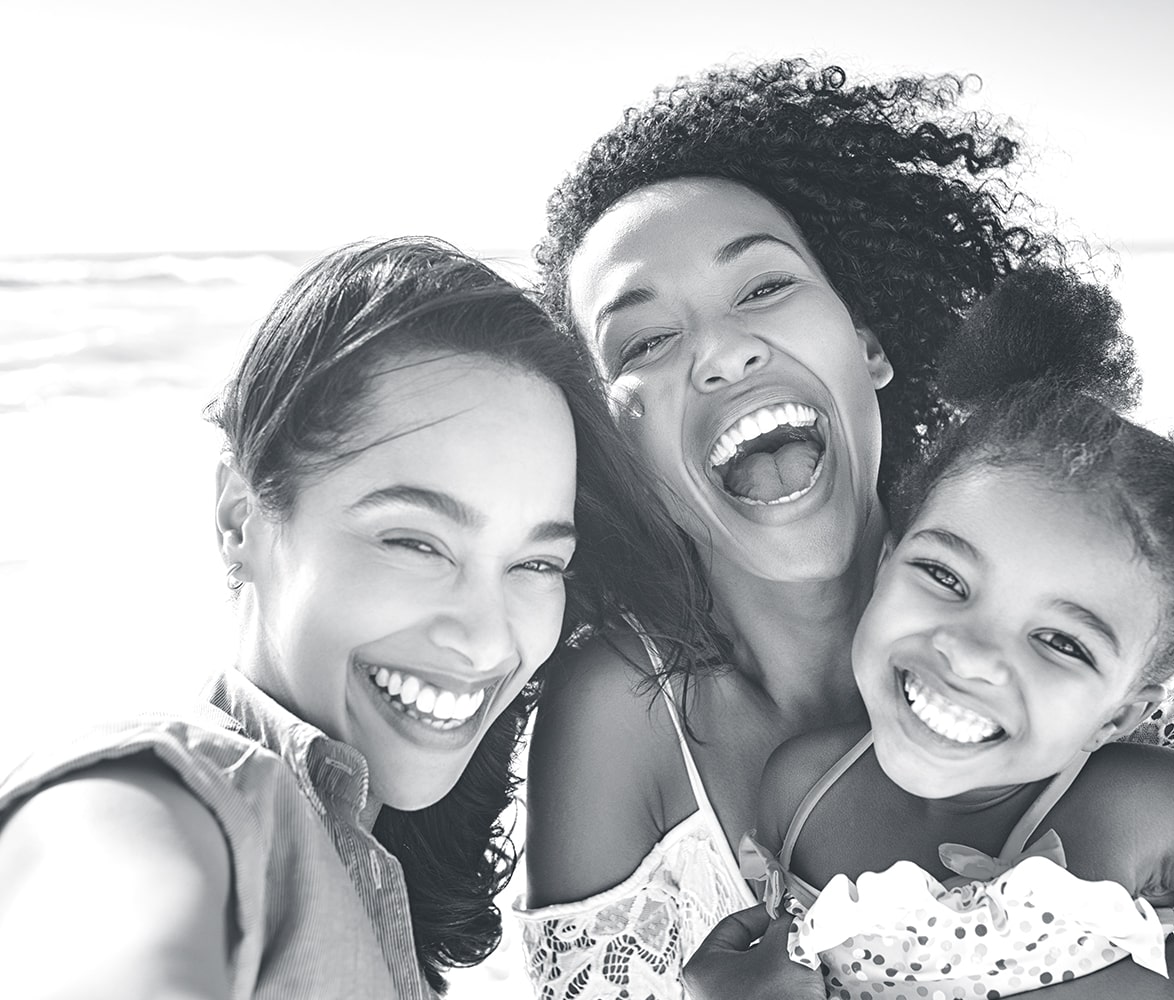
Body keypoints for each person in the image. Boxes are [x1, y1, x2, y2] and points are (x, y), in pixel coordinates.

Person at [516, 59, 1174, 997]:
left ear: (870, 347)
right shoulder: (621, 713)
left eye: (762, 288)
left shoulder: (1090, 616)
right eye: (644, 342)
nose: (721, 351)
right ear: (612, 442)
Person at [0, 237, 708, 998]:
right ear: (242, 516)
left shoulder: (359, 861)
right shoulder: (170, 796)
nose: (486, 637)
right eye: (414, 541)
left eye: (535, 564)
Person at [739, 269, 1174, 996]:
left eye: (1060, 642)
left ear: (1121, 714)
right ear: (888, 561)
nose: (971, 654)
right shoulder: (799, 789)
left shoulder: (1141, 812)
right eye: (946, 578)